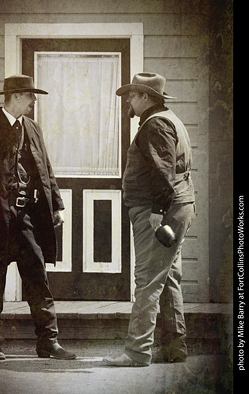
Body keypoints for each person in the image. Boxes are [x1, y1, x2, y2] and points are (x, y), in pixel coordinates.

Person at [0, 74, 76, 361]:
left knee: (38, 277)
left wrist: (57, 206)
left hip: (26, 218)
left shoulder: (34, 129)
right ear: (15, 96)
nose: (33, 101)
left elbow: (45, 169)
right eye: (30, 95)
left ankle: (48, 343)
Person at [103, 73, 196, 367]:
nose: (128, 100)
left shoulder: (155, 124)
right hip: (175, 207)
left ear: (145, 97)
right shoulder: (167, 119)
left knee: (146, 280)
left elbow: (162, 170)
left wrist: (157, 210)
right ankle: (173, 348)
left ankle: (137, 352)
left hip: (160, 212)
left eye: (132, 95)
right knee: (167, 278)